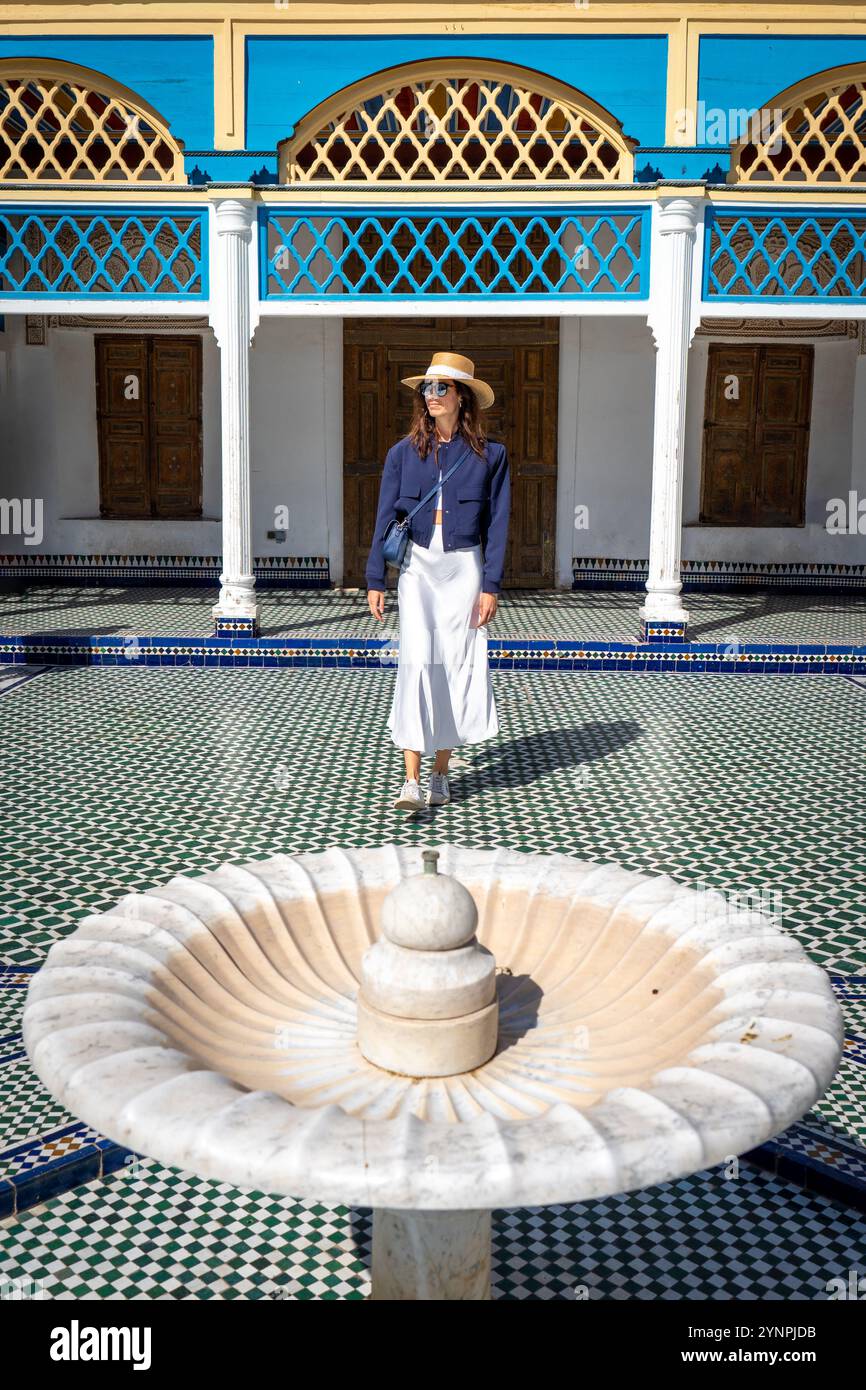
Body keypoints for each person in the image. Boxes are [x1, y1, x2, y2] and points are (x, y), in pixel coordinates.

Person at [366, 350, 511, 811]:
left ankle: (441, 773)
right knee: (416, 664)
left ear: (462, 397)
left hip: (463, 569)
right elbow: (384, 517)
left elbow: (499, 524)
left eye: (440, 388)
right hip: (418, 570)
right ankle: (410, 780)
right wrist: (375, 577)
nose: (431, 396)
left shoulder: (491, 456)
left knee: (454, 666)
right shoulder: (402, 454)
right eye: (427, 388)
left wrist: (491, 585)